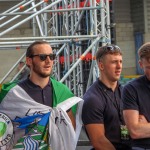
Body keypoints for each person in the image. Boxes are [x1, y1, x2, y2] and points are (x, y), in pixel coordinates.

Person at [0, 41, 82, 150]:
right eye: (42, 57)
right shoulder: (12, 93)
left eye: (51, 56)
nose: (48, 61)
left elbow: (70, 131)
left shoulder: (63, 92)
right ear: (29, 61)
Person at [82, 44, 131, 150]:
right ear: (101, 66)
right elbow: (99, 141)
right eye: (114, 62)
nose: (119, 66)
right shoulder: (92, 99)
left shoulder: (126, 92)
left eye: (120, 61)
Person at [122, 42, 150, 150]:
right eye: (149, 68)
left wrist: (146, 126)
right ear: (140, 64)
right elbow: (135, 131)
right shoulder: (131, 89)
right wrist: (139, 128)